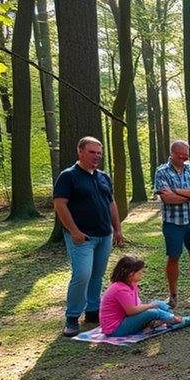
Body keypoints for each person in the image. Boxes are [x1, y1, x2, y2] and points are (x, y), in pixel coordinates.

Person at [53, 136, 124, 337]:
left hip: (104, 235)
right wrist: (74, 231)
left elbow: (111, 203)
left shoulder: (104, 177)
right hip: (82, 237)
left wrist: (117, 229)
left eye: (99, 153)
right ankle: (72, 317)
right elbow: (60, 204)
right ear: (80, 152)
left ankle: (93, 311)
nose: (96, 156)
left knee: (96, 275)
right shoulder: (68, 176)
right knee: (82, 275)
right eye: (92, 152)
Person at [153, 140, 190, 308]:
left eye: (186, 156)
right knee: (174, 257)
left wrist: (177, 191)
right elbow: (168, 198)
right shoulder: (162, 171)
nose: (183, 158)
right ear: (171, 154)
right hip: (173, 222)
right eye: (180, 155)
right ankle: (172, 295)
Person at [99, 255, 183, 337]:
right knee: (153, 312)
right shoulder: (120, 289)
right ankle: (171, 319)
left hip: (125, 319)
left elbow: (137, 304)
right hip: (115, 329)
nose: (142, 274)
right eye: (140, 272)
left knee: (157, 304)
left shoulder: (132, 285)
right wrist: (149, 306)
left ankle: (168, 316)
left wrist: (150, 306)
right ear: (131, 274)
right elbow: (131, 311)